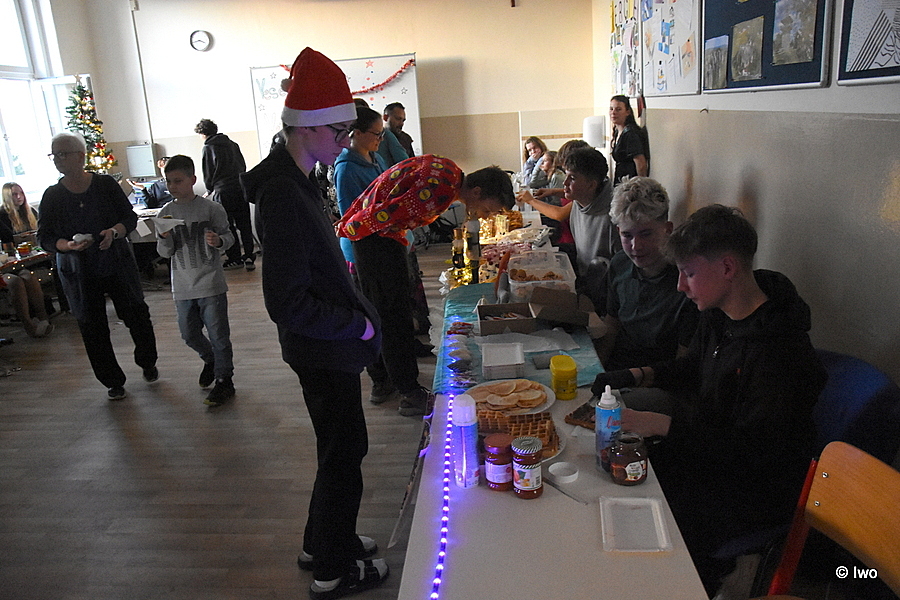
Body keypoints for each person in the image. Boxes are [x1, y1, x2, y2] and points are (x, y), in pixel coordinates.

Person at [594, 204, 826, 595]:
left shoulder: (780, 352)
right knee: (619, 477)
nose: (680, 286)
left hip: (754, 484)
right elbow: (691, 368)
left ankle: (709, 575)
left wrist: (662, 425)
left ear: (728, 267)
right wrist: (635, 375)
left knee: (652, 503)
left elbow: (755, 450)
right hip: (710, 448)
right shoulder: (720, 314)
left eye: (688, 273)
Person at [239, 47, 389, 599]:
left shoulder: (296, 178)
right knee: (345, 452)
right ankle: (333, 569)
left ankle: (323, 541)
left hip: (324, 343)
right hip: (321, 345)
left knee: (338, 448)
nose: (346, 142)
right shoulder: (283, 193)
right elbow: (287, 302)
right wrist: (357, 326)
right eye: (339, 131)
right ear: (307, 128)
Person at [337, 155, 515, 415]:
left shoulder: (450, 173)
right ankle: (407, 391)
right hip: (375, 239)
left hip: (378, 236)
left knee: (390, 309)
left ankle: (388, 377)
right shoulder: (442, 190)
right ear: (477, 192)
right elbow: (384, 215)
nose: (486, 215)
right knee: (392, 315)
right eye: (488, 209)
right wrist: (356, 230)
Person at [37, 131, 158, 400]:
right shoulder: (52, 195)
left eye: (62, 154)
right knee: (92, 327)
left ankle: (147, 361)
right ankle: (112, 381)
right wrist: (67, 246)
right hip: (78, 272)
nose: (57, 159)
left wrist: (113, 232)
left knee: (137, 315)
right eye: (53, 155)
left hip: (116, 263)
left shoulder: (105, 185)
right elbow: (44, 237)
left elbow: (129, 218)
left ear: (81, 157)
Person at [594, 177, 698, 413]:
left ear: (667, 229)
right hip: (619, 369)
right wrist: (595, 368)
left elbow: (683, 364)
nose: (635, 246)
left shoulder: (686, 282)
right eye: (627, 235)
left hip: (658, 382)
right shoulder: (620, 264)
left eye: (646, 234)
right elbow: (612, 324)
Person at [155, 155, 236, 407]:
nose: (172, 186)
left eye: (178, 181)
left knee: (218, 334)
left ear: (192, 179)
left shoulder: (211, 209)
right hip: (182, 285)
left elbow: (229, 237)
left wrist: (219, 241)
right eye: (168, 181)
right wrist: (164, 237)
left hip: (210, 283)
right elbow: (165, 252)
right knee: (189, 333)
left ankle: (224, 380)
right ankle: (210, 359)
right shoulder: (166, 213)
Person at [520, 147, 621, 313]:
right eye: (565, 175)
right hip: (583, 276)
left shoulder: (613, 217)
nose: (565, 183)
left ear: (591, 184)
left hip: (602, 297)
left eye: (572, 178)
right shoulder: (581, 200)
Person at [195, 119, 256, 271]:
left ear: (203, 133)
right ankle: (249, 256)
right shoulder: (233, 144)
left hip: (223, 190)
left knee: (227, 226)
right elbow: (242, 165)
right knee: (245, 224)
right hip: (240, 188)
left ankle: (234, 258)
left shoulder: (208, 147)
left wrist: (209, 188)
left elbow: (208, 171)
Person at [333, 106, 388, 272]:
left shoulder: (376, 158)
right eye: (377, 134)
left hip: (384, 241)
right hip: (363, 248)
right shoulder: (346, 169)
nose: (381, 139)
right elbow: (351, 216)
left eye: (382, 133)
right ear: (357, 133)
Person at [1, 183, 53, 337]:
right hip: (8, 265)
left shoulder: (30, 211)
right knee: (16, 281)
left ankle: (43, 319)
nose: (19, 197)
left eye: (21, 193)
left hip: (27, 262)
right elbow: (7, 240)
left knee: (28, 277)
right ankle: (29, 324)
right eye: (14, 195)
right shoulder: (2, 216)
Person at [609, 95, 649, 185]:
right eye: (611, 109)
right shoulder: (618, 131)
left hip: (630, 184)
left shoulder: (631, 133)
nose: (613, 112)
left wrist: (640, 187)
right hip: (621, 182)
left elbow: (641, 164)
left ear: (627, 112)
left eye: (618, 109)